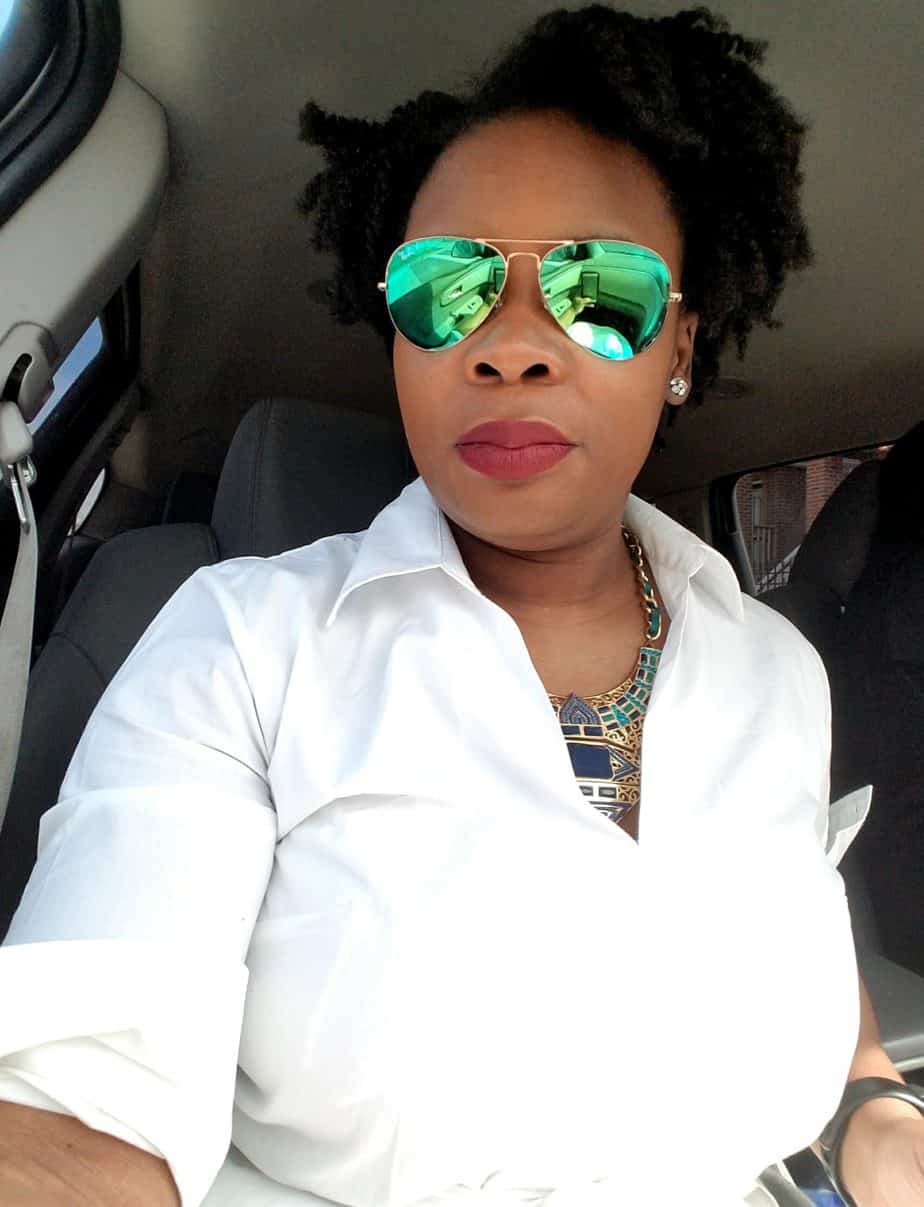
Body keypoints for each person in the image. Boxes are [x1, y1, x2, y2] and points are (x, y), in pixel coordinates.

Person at [0, 6, 922, 1206]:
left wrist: (874, 1114)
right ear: (402, 340)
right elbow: (86, 1117)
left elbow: (805, 942)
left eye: (599, 288)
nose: (510, 346)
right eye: (449, 288)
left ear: (680, 346)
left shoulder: (778, 670)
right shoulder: (242, 645)